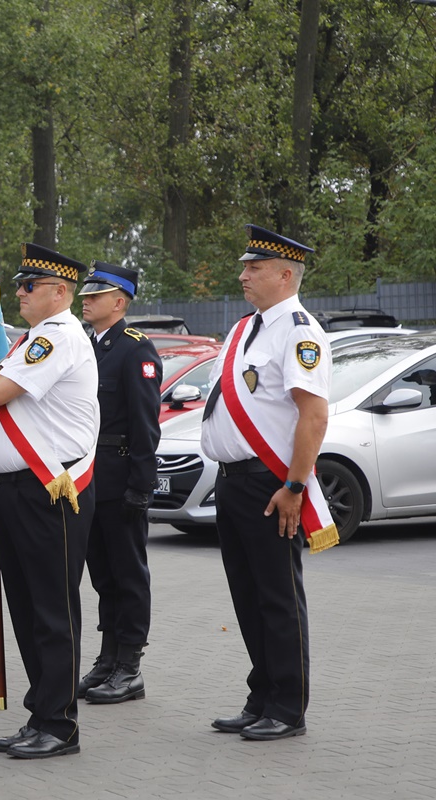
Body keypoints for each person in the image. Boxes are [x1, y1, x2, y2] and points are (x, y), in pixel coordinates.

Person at [201, 224, 334, 741]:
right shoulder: (244, 329)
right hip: (234, 481)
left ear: (285, 275)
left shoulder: (300, 331)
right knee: (247, 595)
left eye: (253, 269)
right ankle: (262, 694)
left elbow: (313, 417)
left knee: (277, 595)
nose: (243, 275)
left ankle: (288, 706)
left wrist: (295, 486)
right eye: (245, 267)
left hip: (272, 485)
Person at [0, 243, 99, 760]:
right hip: (13, 491)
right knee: (25, 609)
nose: (19, 293)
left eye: (29, 286)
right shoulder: (35, 337)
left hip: (48, 491)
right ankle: (40, 713)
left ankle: (60, 723)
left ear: (60, 292)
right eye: (19, 284)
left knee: (50, 609)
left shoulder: (59, 337)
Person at [76, 262, 162, 703]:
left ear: (120, 302)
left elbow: (147, 424)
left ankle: (130, 665)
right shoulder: (88, 347)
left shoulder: (135, 350)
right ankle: (108, 657)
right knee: (102, 575)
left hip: (120, 474)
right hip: (90, 476)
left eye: (96, 295)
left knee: (128, 574)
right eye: (86, 294)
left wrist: (140, 487)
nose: (85, 300)